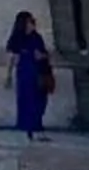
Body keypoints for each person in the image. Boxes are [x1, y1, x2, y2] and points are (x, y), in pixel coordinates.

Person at [6, 10, 54, 139]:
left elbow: (45, 54)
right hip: (25, 72)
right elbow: (12, 57)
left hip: (39, 71)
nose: (33, 24)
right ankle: (28, 126)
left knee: (40, 99)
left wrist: (42, 56)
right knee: (27, 99)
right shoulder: (17, 39)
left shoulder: (36, 37)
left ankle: (36, 124)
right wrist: (8, 75)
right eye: (31, 21)